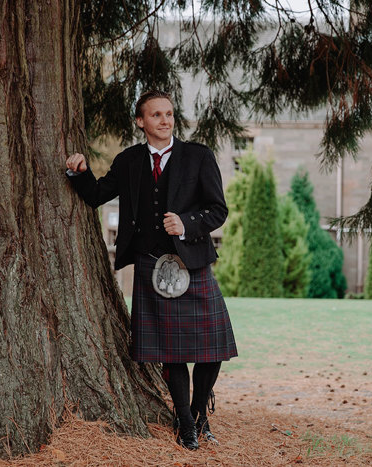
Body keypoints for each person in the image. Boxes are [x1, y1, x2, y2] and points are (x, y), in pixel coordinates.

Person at [65, 90, 238, 450]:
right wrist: (78, 172)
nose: (165, 120)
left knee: (213, 350)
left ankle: (200, 414)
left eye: (170, 114)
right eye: (156, 115)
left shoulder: (198, 156)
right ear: (141, 122)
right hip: (150, 264)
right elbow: (97, 194)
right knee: (172, 352)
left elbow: (218, 210)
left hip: (192, 263)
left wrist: (187, 223)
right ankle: (186, 423)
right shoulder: (128, 160)